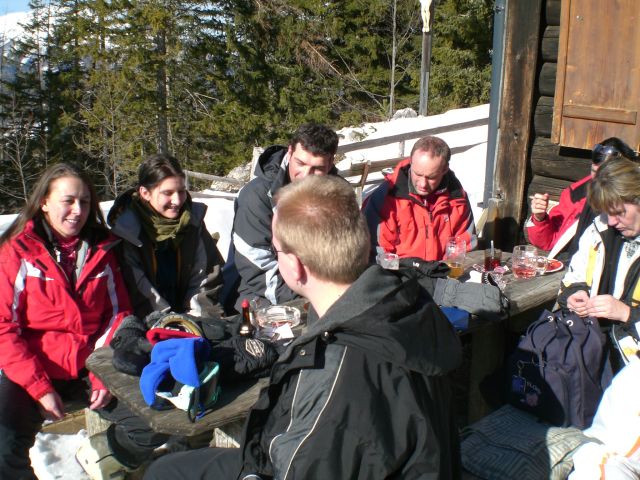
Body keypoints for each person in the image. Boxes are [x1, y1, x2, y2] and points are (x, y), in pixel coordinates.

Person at [144, 175, 463, 479]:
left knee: (162, 473)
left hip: (303, 461)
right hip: (421, 461)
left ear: (295, 266)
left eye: (276, 250)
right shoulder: (409, 302)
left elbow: (304, 462)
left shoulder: (331, 374)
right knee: (172, 469)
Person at [0, 163, 133, 478]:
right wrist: (39, 387)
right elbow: (3, 326)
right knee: (3, 449)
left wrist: (103, 372)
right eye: (68, 201)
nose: (78, 211)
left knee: (151, 420)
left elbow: (118, 315)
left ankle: (101, 458)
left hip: (88, 365)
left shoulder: (102, 250)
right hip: (33, 367)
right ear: (44, 202)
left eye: (84, 202)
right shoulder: (18, 251)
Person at [226, 123, 339, 312]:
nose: (306, 175)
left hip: (323, 291)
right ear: (289, 152)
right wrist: (309, 300)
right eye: (300, 163)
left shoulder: (338, 193)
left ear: (330, 163)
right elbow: (257, 266)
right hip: (263, 296)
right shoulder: (257, 196)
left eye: (317, 168)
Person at [108, 153, 224, 319]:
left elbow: (206, 279)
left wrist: (195, 320)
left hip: (192, 317)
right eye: (168, 193)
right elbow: (137, 291)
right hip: (147, 320)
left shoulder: (192, 223)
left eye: (181, 191)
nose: (177, 201)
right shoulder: (127, 232)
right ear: (145, 193)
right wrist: (168, 323)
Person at [557, 157, 640, 370]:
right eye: (607, 212)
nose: (612, 221)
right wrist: (574, 295)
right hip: (595, 350)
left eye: (619, 212)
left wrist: (626, 313)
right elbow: (572, 279)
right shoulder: (600, 228)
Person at [363, 135, 476, 261]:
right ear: (411, 162)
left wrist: (441, 268)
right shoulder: (386, 198)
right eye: (417, 174)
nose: (423, 184)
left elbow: (464, 245)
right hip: (399, 271)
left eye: (431, 177)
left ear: (444, 169)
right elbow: (378, 254)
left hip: (442, 270)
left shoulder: (457, 199)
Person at [526, 137, 638, 258]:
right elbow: (548, 241)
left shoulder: (632, 200)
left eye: (604, 174)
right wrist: (540, 219)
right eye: (594, 171)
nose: (597, 180)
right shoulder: (576, 194)